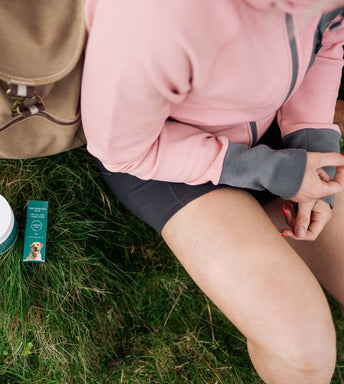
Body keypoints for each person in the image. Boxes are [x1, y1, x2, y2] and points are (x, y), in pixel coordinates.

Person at [81, 1, 344, 383]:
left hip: (273, 120)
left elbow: (328, 40)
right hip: (162, 155)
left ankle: (261, 229)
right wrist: (275, 172)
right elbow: (121, 150)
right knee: (305, 354)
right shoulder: (156, 15)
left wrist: (310, 148)